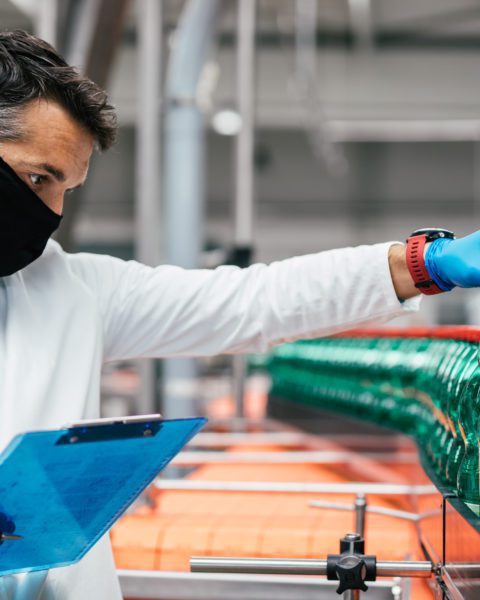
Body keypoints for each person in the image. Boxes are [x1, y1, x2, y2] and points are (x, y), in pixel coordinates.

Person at [0, 29, 479, 599]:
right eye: (37, 178)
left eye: (66, 189)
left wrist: (425, 264)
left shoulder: (67, 288)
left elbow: (254, 301)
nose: (51, 210)